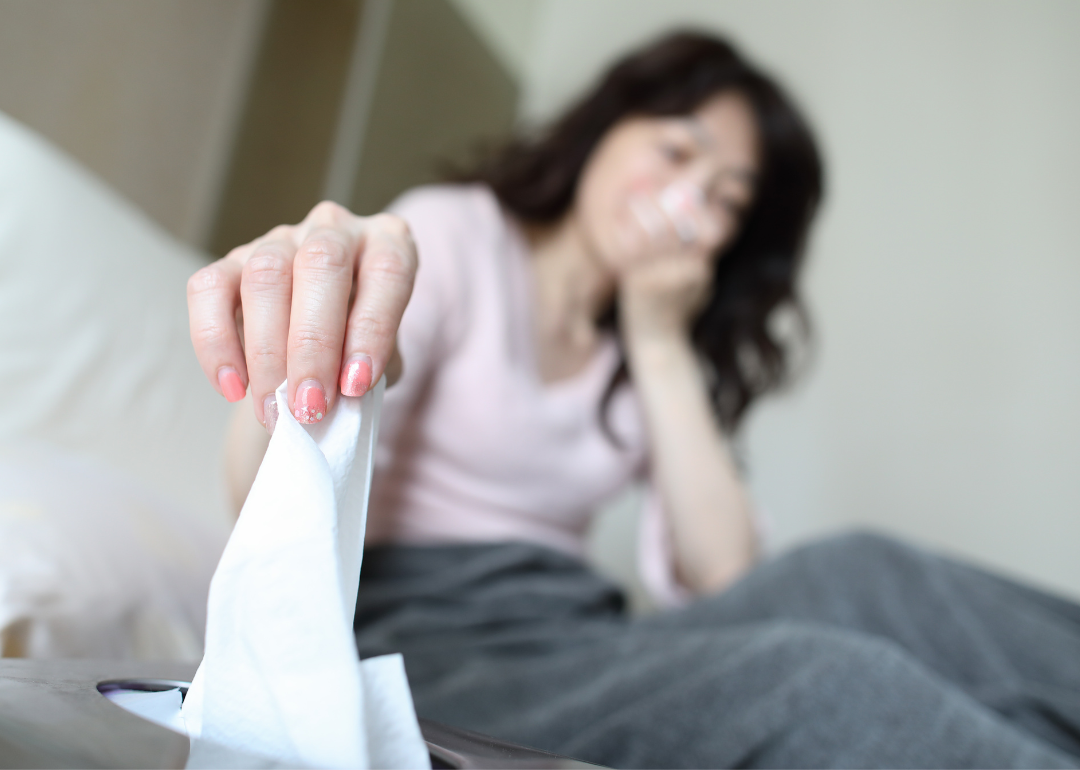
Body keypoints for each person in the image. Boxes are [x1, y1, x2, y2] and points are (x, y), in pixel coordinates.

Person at [188, 31, 1080, 769]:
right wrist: (326, 314)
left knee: (858, 571)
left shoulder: (645, 340)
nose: (691, 200)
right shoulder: (459, 232)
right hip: (438, 640)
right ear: (605, 129)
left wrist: (657, 340)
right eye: (676, 151)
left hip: (576, 628)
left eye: (727, 199)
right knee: (825, 681)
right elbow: (266, 480)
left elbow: (727, 574)